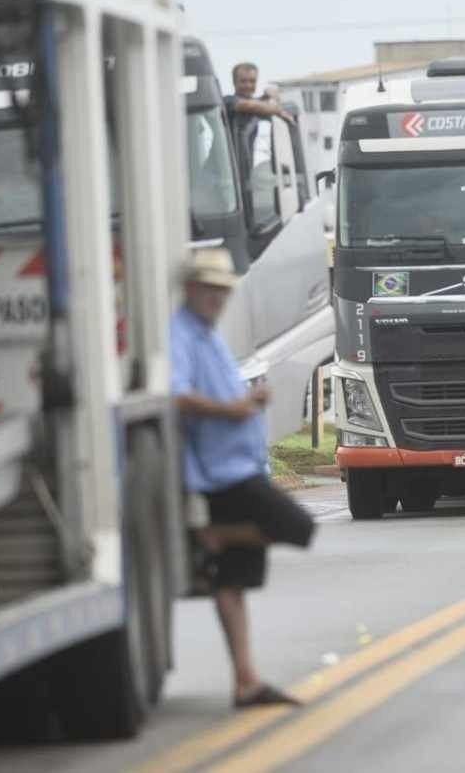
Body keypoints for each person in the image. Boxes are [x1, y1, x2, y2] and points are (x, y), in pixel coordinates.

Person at [171, 248, 316, 709]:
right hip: (222, 473)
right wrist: (233, 409)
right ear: (190, 289)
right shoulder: (181, 335)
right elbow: (175, 396)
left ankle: (246, 680)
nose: (216, 297)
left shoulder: (208, 337)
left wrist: (248, 401)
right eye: (208, 289)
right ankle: (210, 534)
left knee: (231, 582)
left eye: (222, 290)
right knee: (299, 527)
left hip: (239, 465)